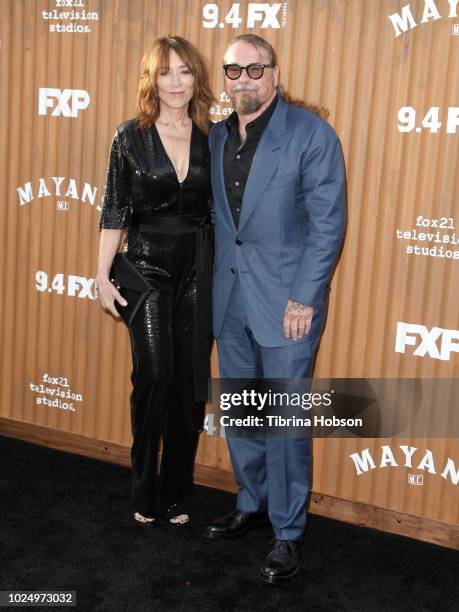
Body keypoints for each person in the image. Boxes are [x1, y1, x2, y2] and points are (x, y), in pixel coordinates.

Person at [204, 34, 347, 583]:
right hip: (231, 300)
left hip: (289, 304)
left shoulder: (311, 135)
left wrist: (304, 297)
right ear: (225, 78)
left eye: (254, 69)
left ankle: (288, 532)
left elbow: (328, 224)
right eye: (233, 70)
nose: (244, 79)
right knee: (243, 412)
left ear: (275, 74)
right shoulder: (217, 138)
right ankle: (252, 501)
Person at [96, 36, 214, 527]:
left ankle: (177, 490)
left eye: (185, 72)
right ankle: (144, 483)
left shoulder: (216, 137)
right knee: (155, 375)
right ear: (152, 79)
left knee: (189, 386)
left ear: (197, 79)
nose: (176, 82)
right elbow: (115, 209)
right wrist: (101, 274)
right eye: (166, 72)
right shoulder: (130, 135)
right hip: (145, 268)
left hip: (199, 267)